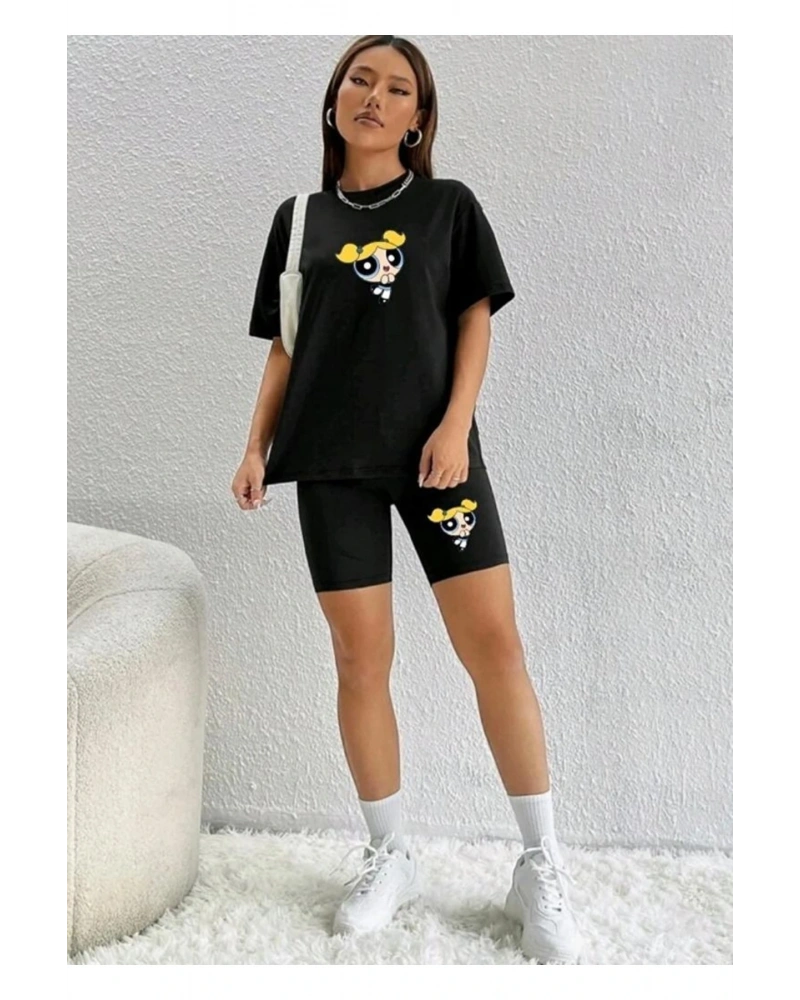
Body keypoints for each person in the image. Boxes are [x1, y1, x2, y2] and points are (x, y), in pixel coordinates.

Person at [231, 34, 583, 964]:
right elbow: (287, 345)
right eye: (360, 80)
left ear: (418, 118)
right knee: (360, 660)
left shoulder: (447, 206)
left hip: (438, 460)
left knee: (495, 646)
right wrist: (256, 446)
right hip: (330, 465)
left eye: (397, 89)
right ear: (334, 98)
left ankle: (540, 864)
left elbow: (474, 316)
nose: (375, 98)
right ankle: (391, 853)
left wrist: (456, 423)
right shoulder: (298, 220)